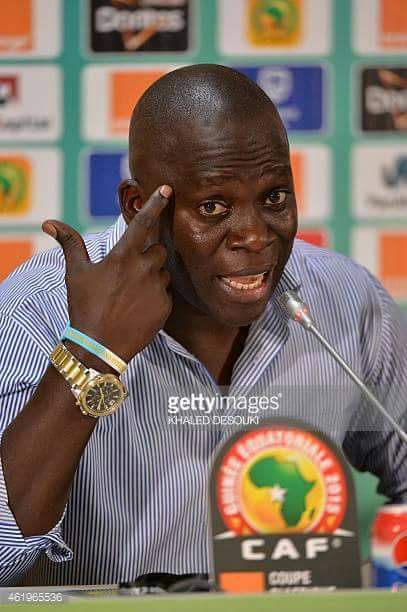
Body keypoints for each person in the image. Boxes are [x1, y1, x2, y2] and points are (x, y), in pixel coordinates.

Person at [0, 64, 406, 587]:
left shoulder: (346, 299)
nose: (254, 236)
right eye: (213, 206)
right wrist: (90, 351)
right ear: (138, 207)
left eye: (274, 197)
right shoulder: (38, 308)